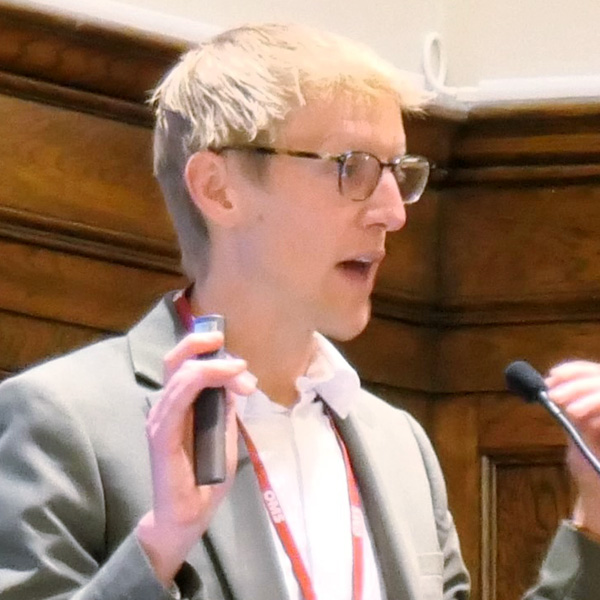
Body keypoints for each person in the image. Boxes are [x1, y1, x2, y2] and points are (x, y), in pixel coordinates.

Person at [1, 21, 600, 600]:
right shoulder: (66, 421)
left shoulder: (398, 445)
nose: (393, 212)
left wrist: (593, 517)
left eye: (398, 173)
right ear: (218, 189)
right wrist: (161, 544)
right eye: (353, 167)